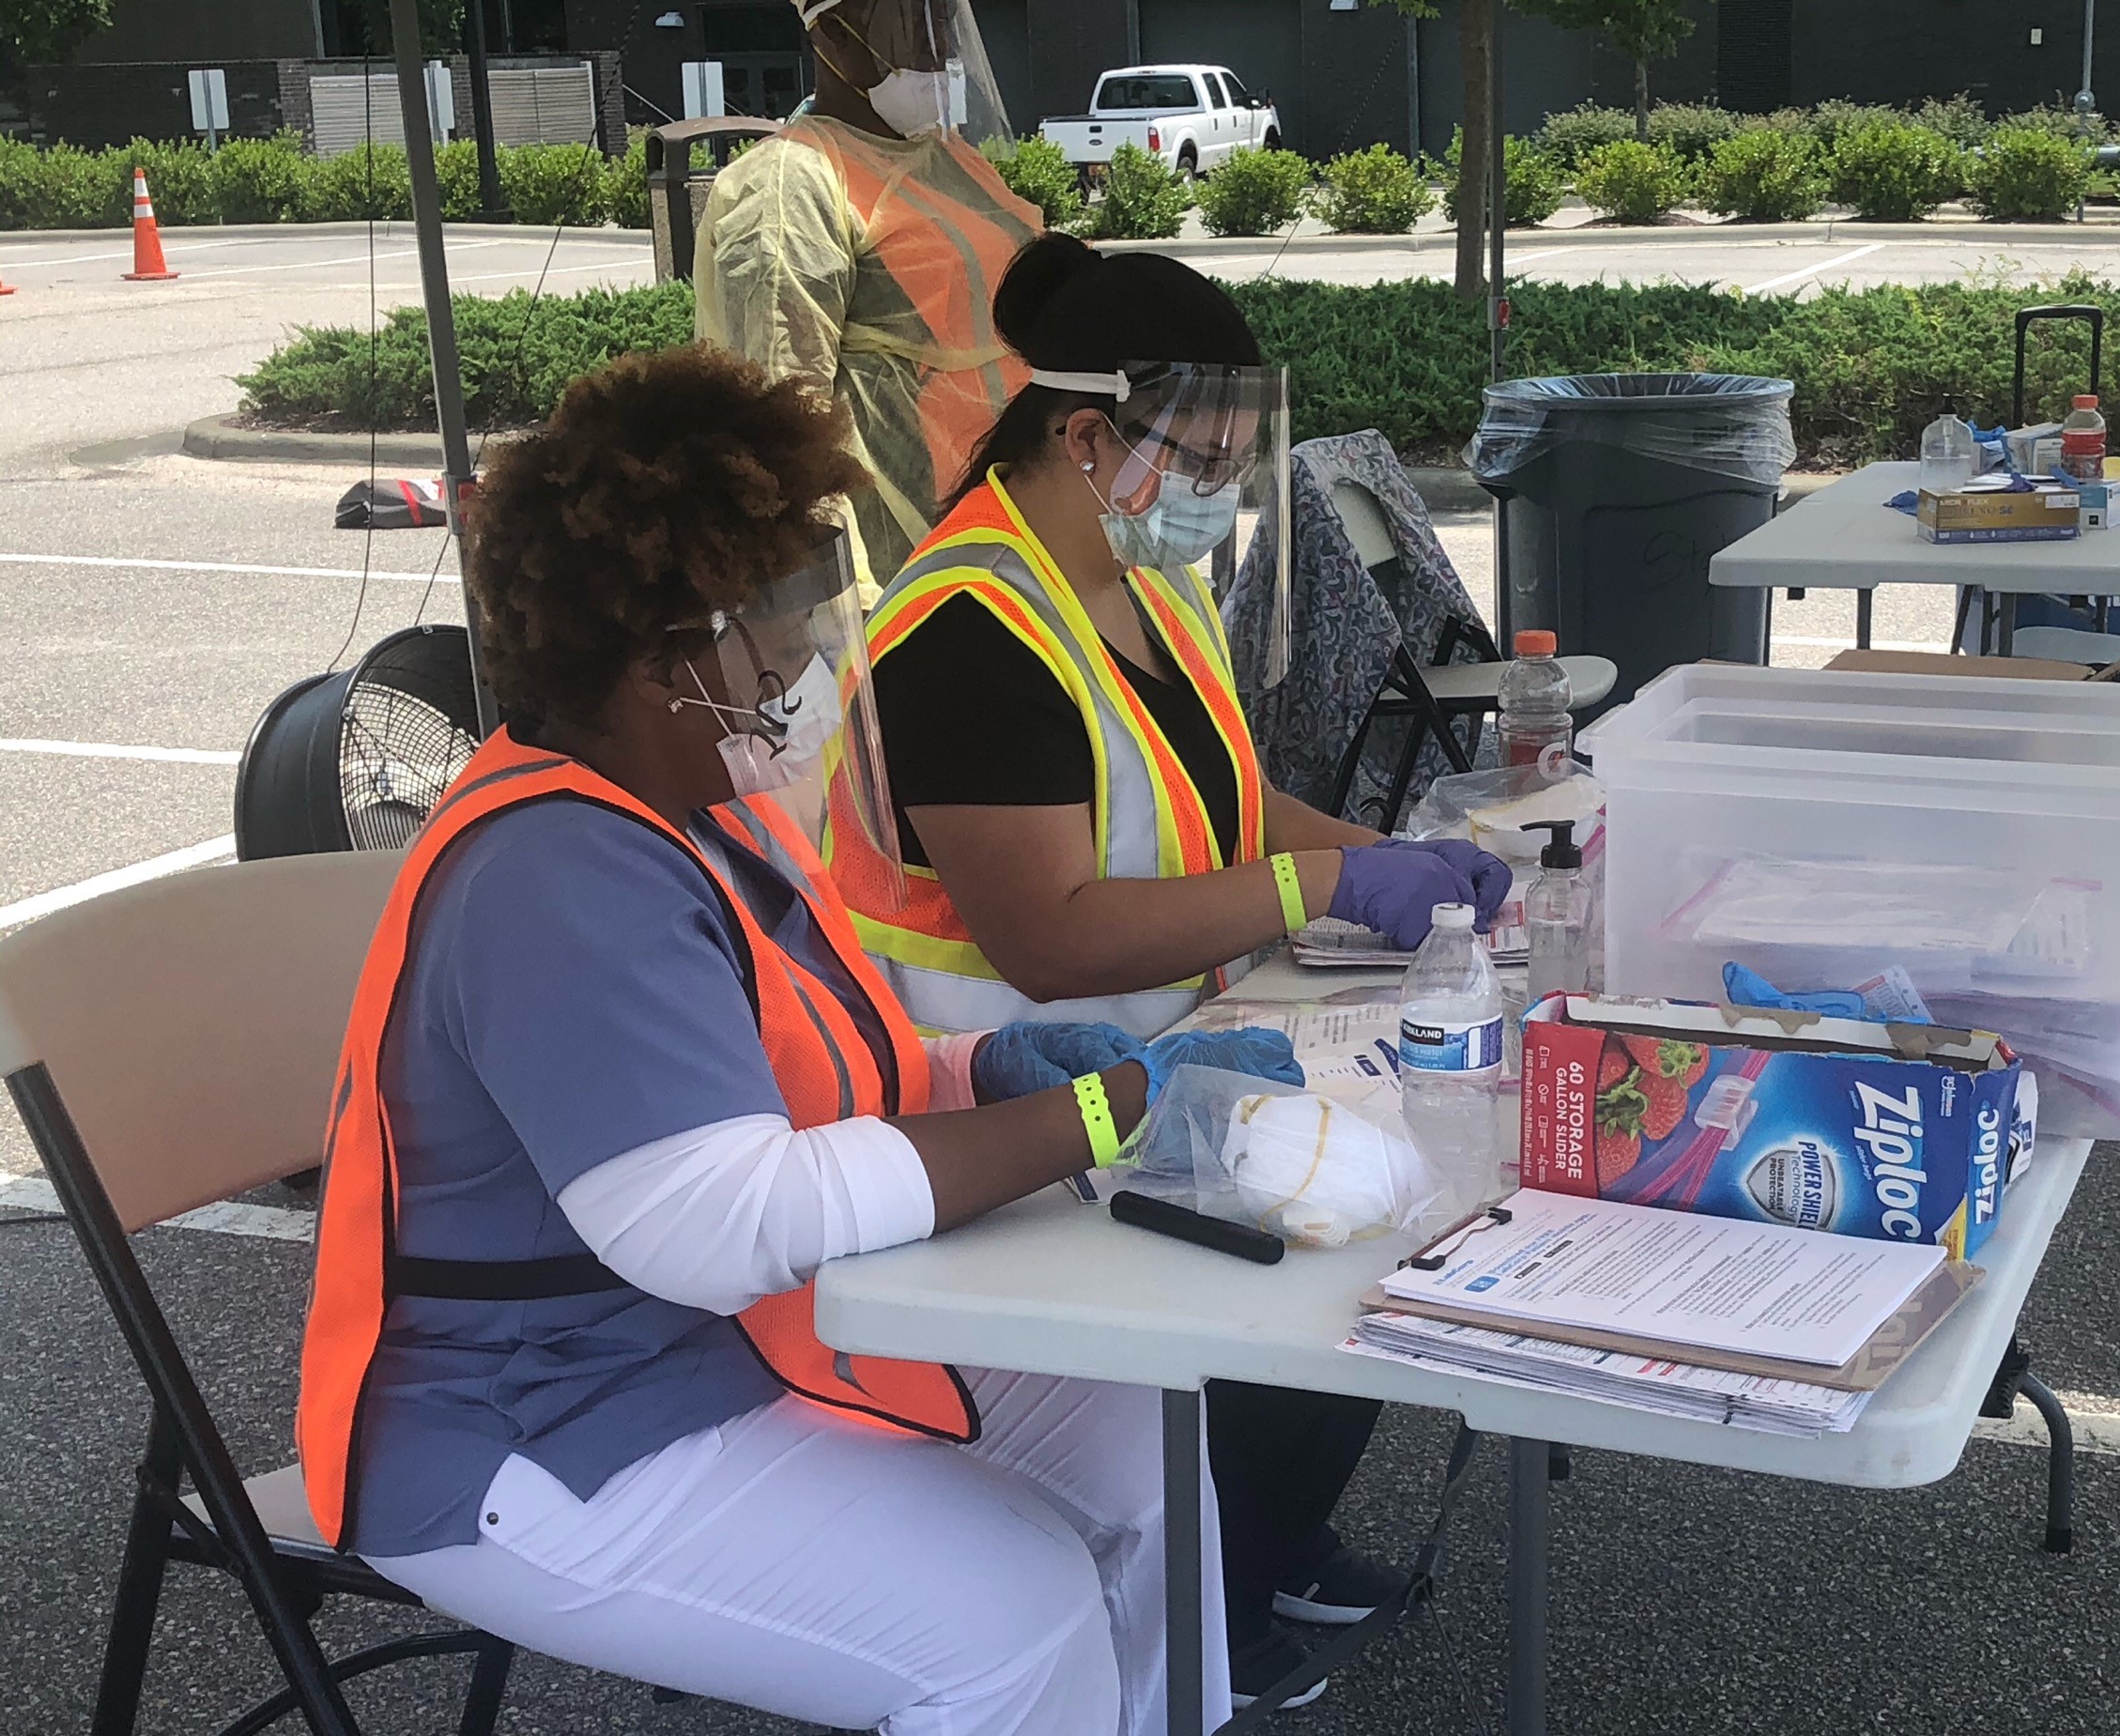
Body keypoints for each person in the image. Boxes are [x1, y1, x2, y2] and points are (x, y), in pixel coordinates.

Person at [295, 344, 1295, 1734]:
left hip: (720, 1339)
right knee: (1011, 1619)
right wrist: (1098, 1114)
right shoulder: (556, 877)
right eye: (780, 623)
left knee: (1140, 1434)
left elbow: (823, 1068)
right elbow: (715, 1221)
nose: (816, 655)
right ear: (663, 659)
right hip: (535, 1428)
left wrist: (984, 1069)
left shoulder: (704, 805)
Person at [848, 233, 1514, 1707]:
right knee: (1299, 1266)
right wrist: (1321, 885)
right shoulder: (965, 628)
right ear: (1085, 437)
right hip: (1018, 1082)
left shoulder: (1143, 582)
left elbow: (1210, 792)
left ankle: (1261, 1542)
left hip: (1177, 1033)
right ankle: (1202, 1595)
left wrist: (1403, 857)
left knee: (1375, 1221)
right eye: (1198, 456)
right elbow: (1050, 934)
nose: (1219, 490)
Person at [695, 0, 1041, 587]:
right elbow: (776, 430)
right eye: (916, 25)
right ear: (832, 32)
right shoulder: (788, 188)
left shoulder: (955, 160)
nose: (942, 51)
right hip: (907, 580)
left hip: (1015, 544)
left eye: (946, 22)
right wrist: (833, 614)